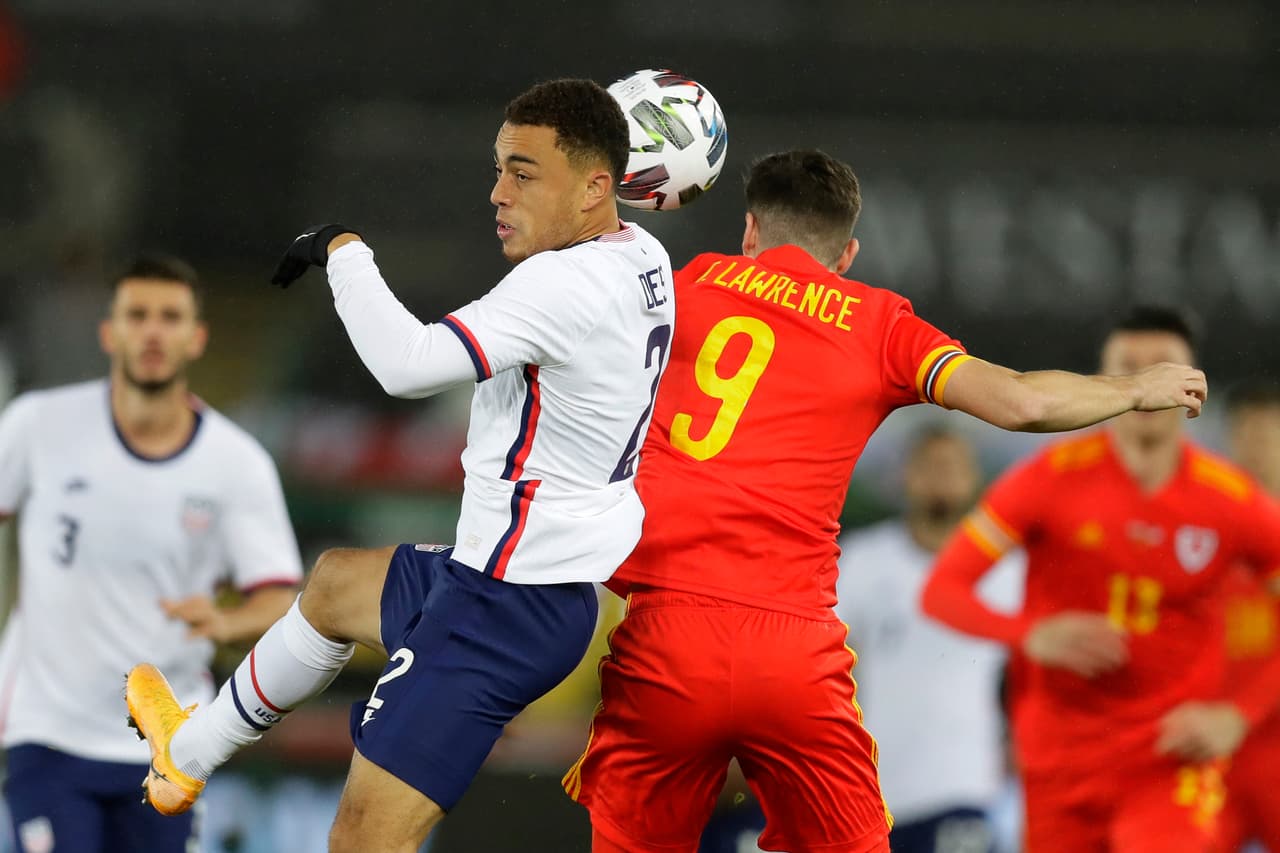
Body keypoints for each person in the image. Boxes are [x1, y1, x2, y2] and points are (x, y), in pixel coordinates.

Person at [562, 149, 1208, 853]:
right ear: (847, 252)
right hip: (792, 649)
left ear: (750, 231)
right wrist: (1132, 389)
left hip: (665, 636)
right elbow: (1022, 401)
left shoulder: (680, 288)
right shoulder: (878, 323)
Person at [125, 78, 675, 852]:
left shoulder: (562, 284)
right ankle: (186, 755)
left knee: (359, 841)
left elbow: (407, 364)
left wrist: (343, 252)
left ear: (594, 187)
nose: (497, 192)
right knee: (335, 585)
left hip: (500, 610)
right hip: (528, 583)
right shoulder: (640, 252)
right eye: (498, 167)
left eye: (523, 173)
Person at [921, 307, 1280, 852]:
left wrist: (1240, 713)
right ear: (1103, 380)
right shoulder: (1046, 481)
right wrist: (1030, 633)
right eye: (1129, 367)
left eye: (1163, 367)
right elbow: (941, 591)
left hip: (1169, 764)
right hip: (1057, 767)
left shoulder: (1230, 501)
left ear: (1193, 384)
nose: (1149, 382)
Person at [0, 253, 302, 853]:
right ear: (110, 332)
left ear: (197, 338)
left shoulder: (235, 464)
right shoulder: (39, 426)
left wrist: (225, 622)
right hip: (46, 730)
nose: (154, 331)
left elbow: (280, 599)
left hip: (170, 743)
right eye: (138, 315)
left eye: (170, 316)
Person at [836, 425, 1022, 853]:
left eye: (953, 466)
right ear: (906, 477)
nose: (941, 477)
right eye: (929, 466)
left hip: (968, 785)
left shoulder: (1007, 572)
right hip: (877, 793)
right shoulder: (863, 563)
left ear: (973, 477)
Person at [1217, 380, 1280, 852]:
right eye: (1245, 434)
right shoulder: (1207, 532)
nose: (1255, 449)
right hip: (1216, 749)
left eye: (1267, 434)